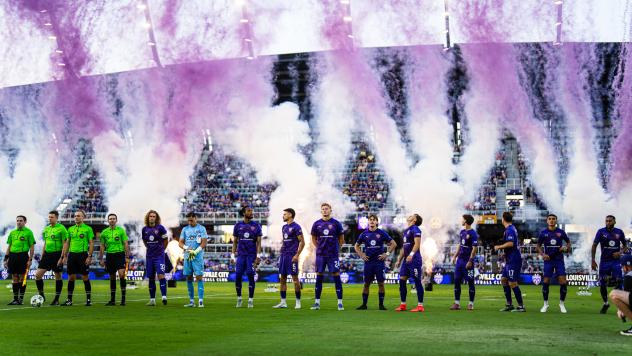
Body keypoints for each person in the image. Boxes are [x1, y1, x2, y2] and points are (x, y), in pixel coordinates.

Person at [354, 214, 396, 310]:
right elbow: (356, 246)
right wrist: (361, 255)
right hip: (368, 263)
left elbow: (394, 244)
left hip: (379, 263)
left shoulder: (381, 233)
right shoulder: (364, 234)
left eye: (374, 220)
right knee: (366, 284)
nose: (372, 221)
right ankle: (364, 305)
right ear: (368, 222)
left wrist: (386, 254)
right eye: (370, 220)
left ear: (377, 222)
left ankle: (381, 305)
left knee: (381, 283)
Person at [310, 203, 345, 311]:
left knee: (336, 275)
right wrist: (319, 248)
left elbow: (341, 239)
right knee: (319, 276)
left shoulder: (336, 223)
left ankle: (340, 303)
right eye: (323, 209)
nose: (325, 211)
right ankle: (317, 303)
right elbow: (313, 238)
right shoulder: (316, 224)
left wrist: (336, 248)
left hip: (332, 255)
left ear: (330, 210)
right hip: (320, 255)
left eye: (326, 209)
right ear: (321, 211)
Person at [592, 215, 628, 314]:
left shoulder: (619, 232)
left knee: (619, 282)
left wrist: (620, 253)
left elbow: (625, 246)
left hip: (616, 262)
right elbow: (594, 245)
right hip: (604, 261)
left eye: (610, 221)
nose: (608, 222)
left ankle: (621, 307)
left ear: (614, 222)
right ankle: (606, 303)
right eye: (606, 221)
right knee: (602, 283)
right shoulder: (601, 232)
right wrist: (593, 260)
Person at [536, 214, 571, 313]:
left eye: (553, 219)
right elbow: (538, 246)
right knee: (546, 281)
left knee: (563, 282)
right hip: (548, 260)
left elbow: (568, 243)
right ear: (547, 221)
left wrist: (566, 248)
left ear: (556, 221)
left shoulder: (561, 232)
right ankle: (545, 304)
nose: (551, 221)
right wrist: (542, 254)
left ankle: (561, 304)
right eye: (550, 219)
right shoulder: (543, 233)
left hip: (559, 260)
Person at [61, 210, 95, 306]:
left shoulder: (88, 229)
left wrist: (89, 256)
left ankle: (88, 300)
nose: (76, 217)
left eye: (78, 216)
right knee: (71, 277)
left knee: (85, 276)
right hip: (72, 255)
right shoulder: (70, 229)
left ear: (83, 217)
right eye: (75, 216)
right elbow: (67, 243)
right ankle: (69, 300)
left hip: (83, 255)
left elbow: (91, 243)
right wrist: (64, 256)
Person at [273, 208, 305, 309]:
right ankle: (283, 302)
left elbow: (302, 242)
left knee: (295, 279)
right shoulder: (283, 227)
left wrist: (297, 255)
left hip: (292, 256)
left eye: (285, 214)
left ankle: (298, 302)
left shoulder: (296, 227)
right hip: (284, 255)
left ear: (290, 215)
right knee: (282, 279)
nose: (283, 216)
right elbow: (285, 241)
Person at [232, 206, 262, 308]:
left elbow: (259, 243)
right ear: (244, 213)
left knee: (250, 274)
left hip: (251, 255)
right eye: (249, 211)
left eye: (251, 211)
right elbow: (235, 242)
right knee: (238, 275)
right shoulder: (237, 226)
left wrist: (258, 256)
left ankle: (250, 299)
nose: (251, 212)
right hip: (241, 255)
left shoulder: (256, 226)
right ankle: (239, 298)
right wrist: (232, 255)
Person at [35, 210, 67, 305]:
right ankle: (41, 294)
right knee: (38, 275)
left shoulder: (61, 228)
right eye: (49, 217)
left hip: (57, 254)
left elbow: (65, 243)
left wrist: (63, 256)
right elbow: (46, 242)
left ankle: (56, 299)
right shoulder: (46, 229)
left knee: (58, 276)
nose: (50, 218)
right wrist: (42, 254)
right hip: (47, 255)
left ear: (57, 218)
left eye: (52, 217)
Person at [494, 212, 525, 312]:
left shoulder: (510, 229)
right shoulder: (510, 229)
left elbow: (511, 243)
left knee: (512, 283)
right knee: (503, 279)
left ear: (503, 219)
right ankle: (509, 304)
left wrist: (499, 247)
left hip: (514, 259)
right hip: (509, 259)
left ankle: (521, 306)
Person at [395, 214, 425, 312]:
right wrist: (399, 260)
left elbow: (417, 244)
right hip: (406, 260)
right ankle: (403, 304)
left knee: (417, 281)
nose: (410, 216)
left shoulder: (415, 229)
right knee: (402, 280)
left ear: (415, 219)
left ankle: (420, 306)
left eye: (413, 215)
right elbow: (404, 248)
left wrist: (411, 254)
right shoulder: (406, 231)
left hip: (414, 259)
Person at [98, 213, 129, 306]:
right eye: (110, 219)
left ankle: (123, 299)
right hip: (110, 256)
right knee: (112, 277)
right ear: (108, 220)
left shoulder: (121, 231)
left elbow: (125, 243)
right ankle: (112, 300)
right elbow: (102, 246)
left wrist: (127, 256)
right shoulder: (104, 232)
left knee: (121, 275)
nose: (112, 220)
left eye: (113, 218)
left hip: (119, 255)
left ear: (116, 220)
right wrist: (101, 259)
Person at [4, 215, 35, 305]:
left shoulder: (29, 232)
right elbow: (9, 246)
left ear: (25, 222)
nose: (19, 222)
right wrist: (6, 258)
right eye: (17, 220)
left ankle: (21, 299)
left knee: (22, 277)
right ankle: (15, 299)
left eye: (21, 220)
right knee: (14, 277)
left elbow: (32, 247)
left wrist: (30, 259)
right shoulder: (12, 233)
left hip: (23, 256)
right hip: (13, 256)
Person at [450, 214, 479, 311]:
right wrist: (455, 256)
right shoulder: (462, 232)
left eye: (462, 219)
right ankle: (457, 303)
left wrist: (470, 261)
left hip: (468, 261)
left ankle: (471, 303)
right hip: (460, 261)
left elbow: (474, 248)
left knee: (470, 281)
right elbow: (460, 245)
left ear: (466, 221)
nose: (461, 220)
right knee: (457, 281)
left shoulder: (473, 233)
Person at [179, 212, 207, 307]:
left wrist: (195, 251)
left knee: (199, 277)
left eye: (191, 220)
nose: (190, 222)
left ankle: (200, 301)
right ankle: (191, 301)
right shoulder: (185, 229)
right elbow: (180, 243)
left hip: (197, 257)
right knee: (189, 278)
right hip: (187, 257)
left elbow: (204, 243)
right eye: (188, 220)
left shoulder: (201, 228)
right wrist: (187, 248)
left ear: (195, 218)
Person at [142, 210, 169, 306]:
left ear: (156, 218)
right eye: (150, 216)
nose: (152, 218)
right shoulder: (144, 229)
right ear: (148, 218)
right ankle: (152, 300)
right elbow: (145, 241)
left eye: (154, 216)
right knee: (151, 278)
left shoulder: (161, 228)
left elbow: (166, 240)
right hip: (149, 256)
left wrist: (161, 250)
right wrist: (150, 248)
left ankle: (164, 297)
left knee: (161, 275)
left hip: (159, 256)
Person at [610, 254, 632, 336]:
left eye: (622, 266)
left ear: (627, 266)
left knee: (613, 294)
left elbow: (627, 298)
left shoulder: (629, 275)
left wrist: (621, 310)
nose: (622, 268)